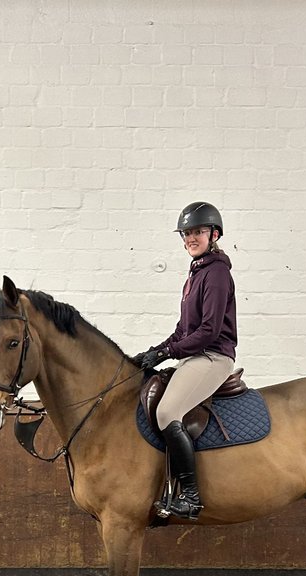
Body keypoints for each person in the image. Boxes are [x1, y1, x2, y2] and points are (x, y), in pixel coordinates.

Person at [134, 201, 238, 521]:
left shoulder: (217, 272)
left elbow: (208, 331)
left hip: (213, 356)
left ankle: (191, 497)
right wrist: (153, 351)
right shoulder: (196, 273)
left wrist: (168, 353)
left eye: (197, 232)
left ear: (214, 234)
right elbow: (183, 330)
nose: (190, 238)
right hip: (196, 355)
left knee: (167, 412)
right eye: (187, 233)